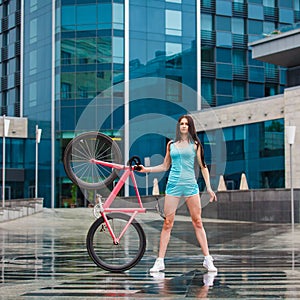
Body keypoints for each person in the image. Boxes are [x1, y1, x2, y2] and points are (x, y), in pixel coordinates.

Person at [137, 115, 217, 273]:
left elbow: (203, 167)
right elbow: (165, 166)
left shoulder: (195, 145)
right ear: (178, 127)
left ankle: (208, 259)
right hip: (173, 186)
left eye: (186, 124)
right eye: (181, 124)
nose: (184, 126)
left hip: (190, 186)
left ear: (190, 127)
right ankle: (160, 261)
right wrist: (147, 169)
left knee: (198, 222)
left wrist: (208, 187)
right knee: (168, 223)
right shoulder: (171, 144)